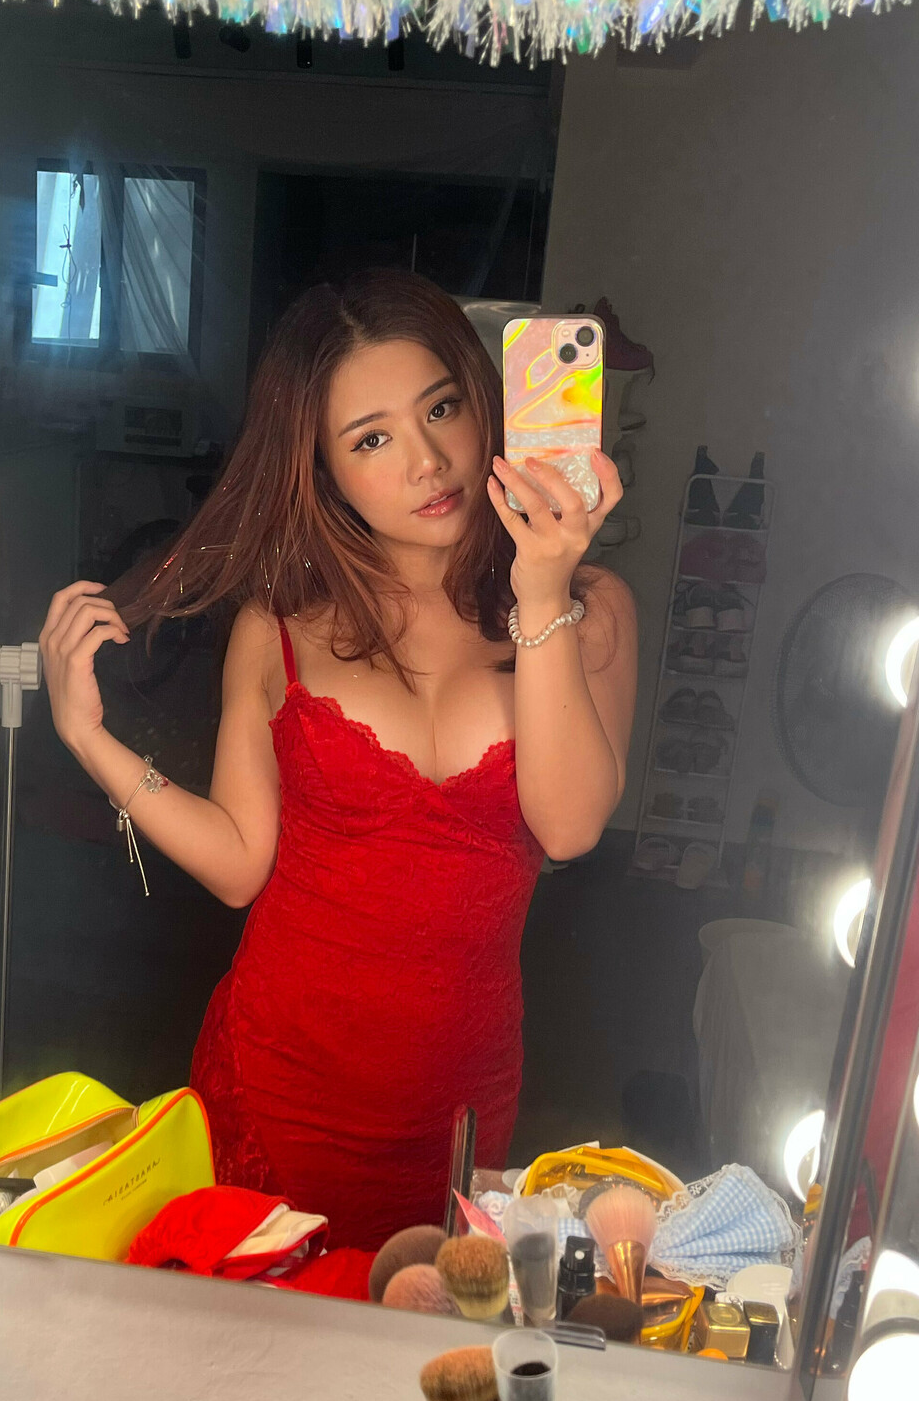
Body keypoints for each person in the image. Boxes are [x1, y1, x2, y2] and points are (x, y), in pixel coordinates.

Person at [39, 272, 637, 1250]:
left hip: (459, 1102)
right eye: (371, 439)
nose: (428, 461)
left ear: (483, 404)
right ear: (324, 471)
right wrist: (88, 739)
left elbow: (568, 826)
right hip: (280, 1088)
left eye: (440, 409)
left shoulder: (588, 606)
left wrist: (541, 591)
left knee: (419, 1328)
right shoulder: (280, 628)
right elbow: (240, 866)